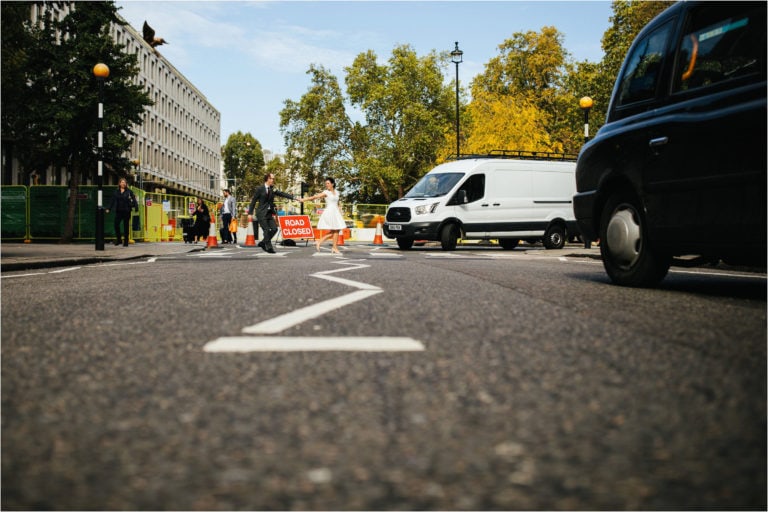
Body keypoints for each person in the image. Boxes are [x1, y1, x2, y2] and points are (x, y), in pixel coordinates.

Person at [246, 173, 298, 253]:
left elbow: (282, 194)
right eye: (272, 178)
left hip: (269, 213)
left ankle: (263, 242)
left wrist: (294, 198)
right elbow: (253, 201)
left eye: (273, 179)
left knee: (274, 229)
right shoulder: (260, 189)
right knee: (266, 230)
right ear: (267, 179)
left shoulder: (272, 189)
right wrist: (250, 213)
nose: (273, 180)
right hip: (261, 213)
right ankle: (269, 247)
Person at [301, 177, 346, 254]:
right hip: (330, 212)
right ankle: (330, 246)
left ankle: (331, 246)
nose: (327, 185)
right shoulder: (326, 192)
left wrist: (340, 211)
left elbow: (337, 203)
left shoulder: (337, 192)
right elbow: (315, 197)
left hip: (336, 212)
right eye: (326, 184)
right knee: (335, 230)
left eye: (328, 183)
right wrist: (304, 199)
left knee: (336, 230)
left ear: (333, 184)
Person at [105, 178, 138, 247]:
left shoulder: (129, 191)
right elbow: (112, 200)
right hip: (118, 211)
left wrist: (136, 207)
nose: (123, 183)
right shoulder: (116, 192)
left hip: (126, 211)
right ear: (119, 183)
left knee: (126, 226)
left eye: (124, 182)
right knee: (116, 225)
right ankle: (119, 239)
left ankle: (126, 241)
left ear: (126, 184)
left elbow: (134, 199)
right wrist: (108, 208)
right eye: (122, 182)